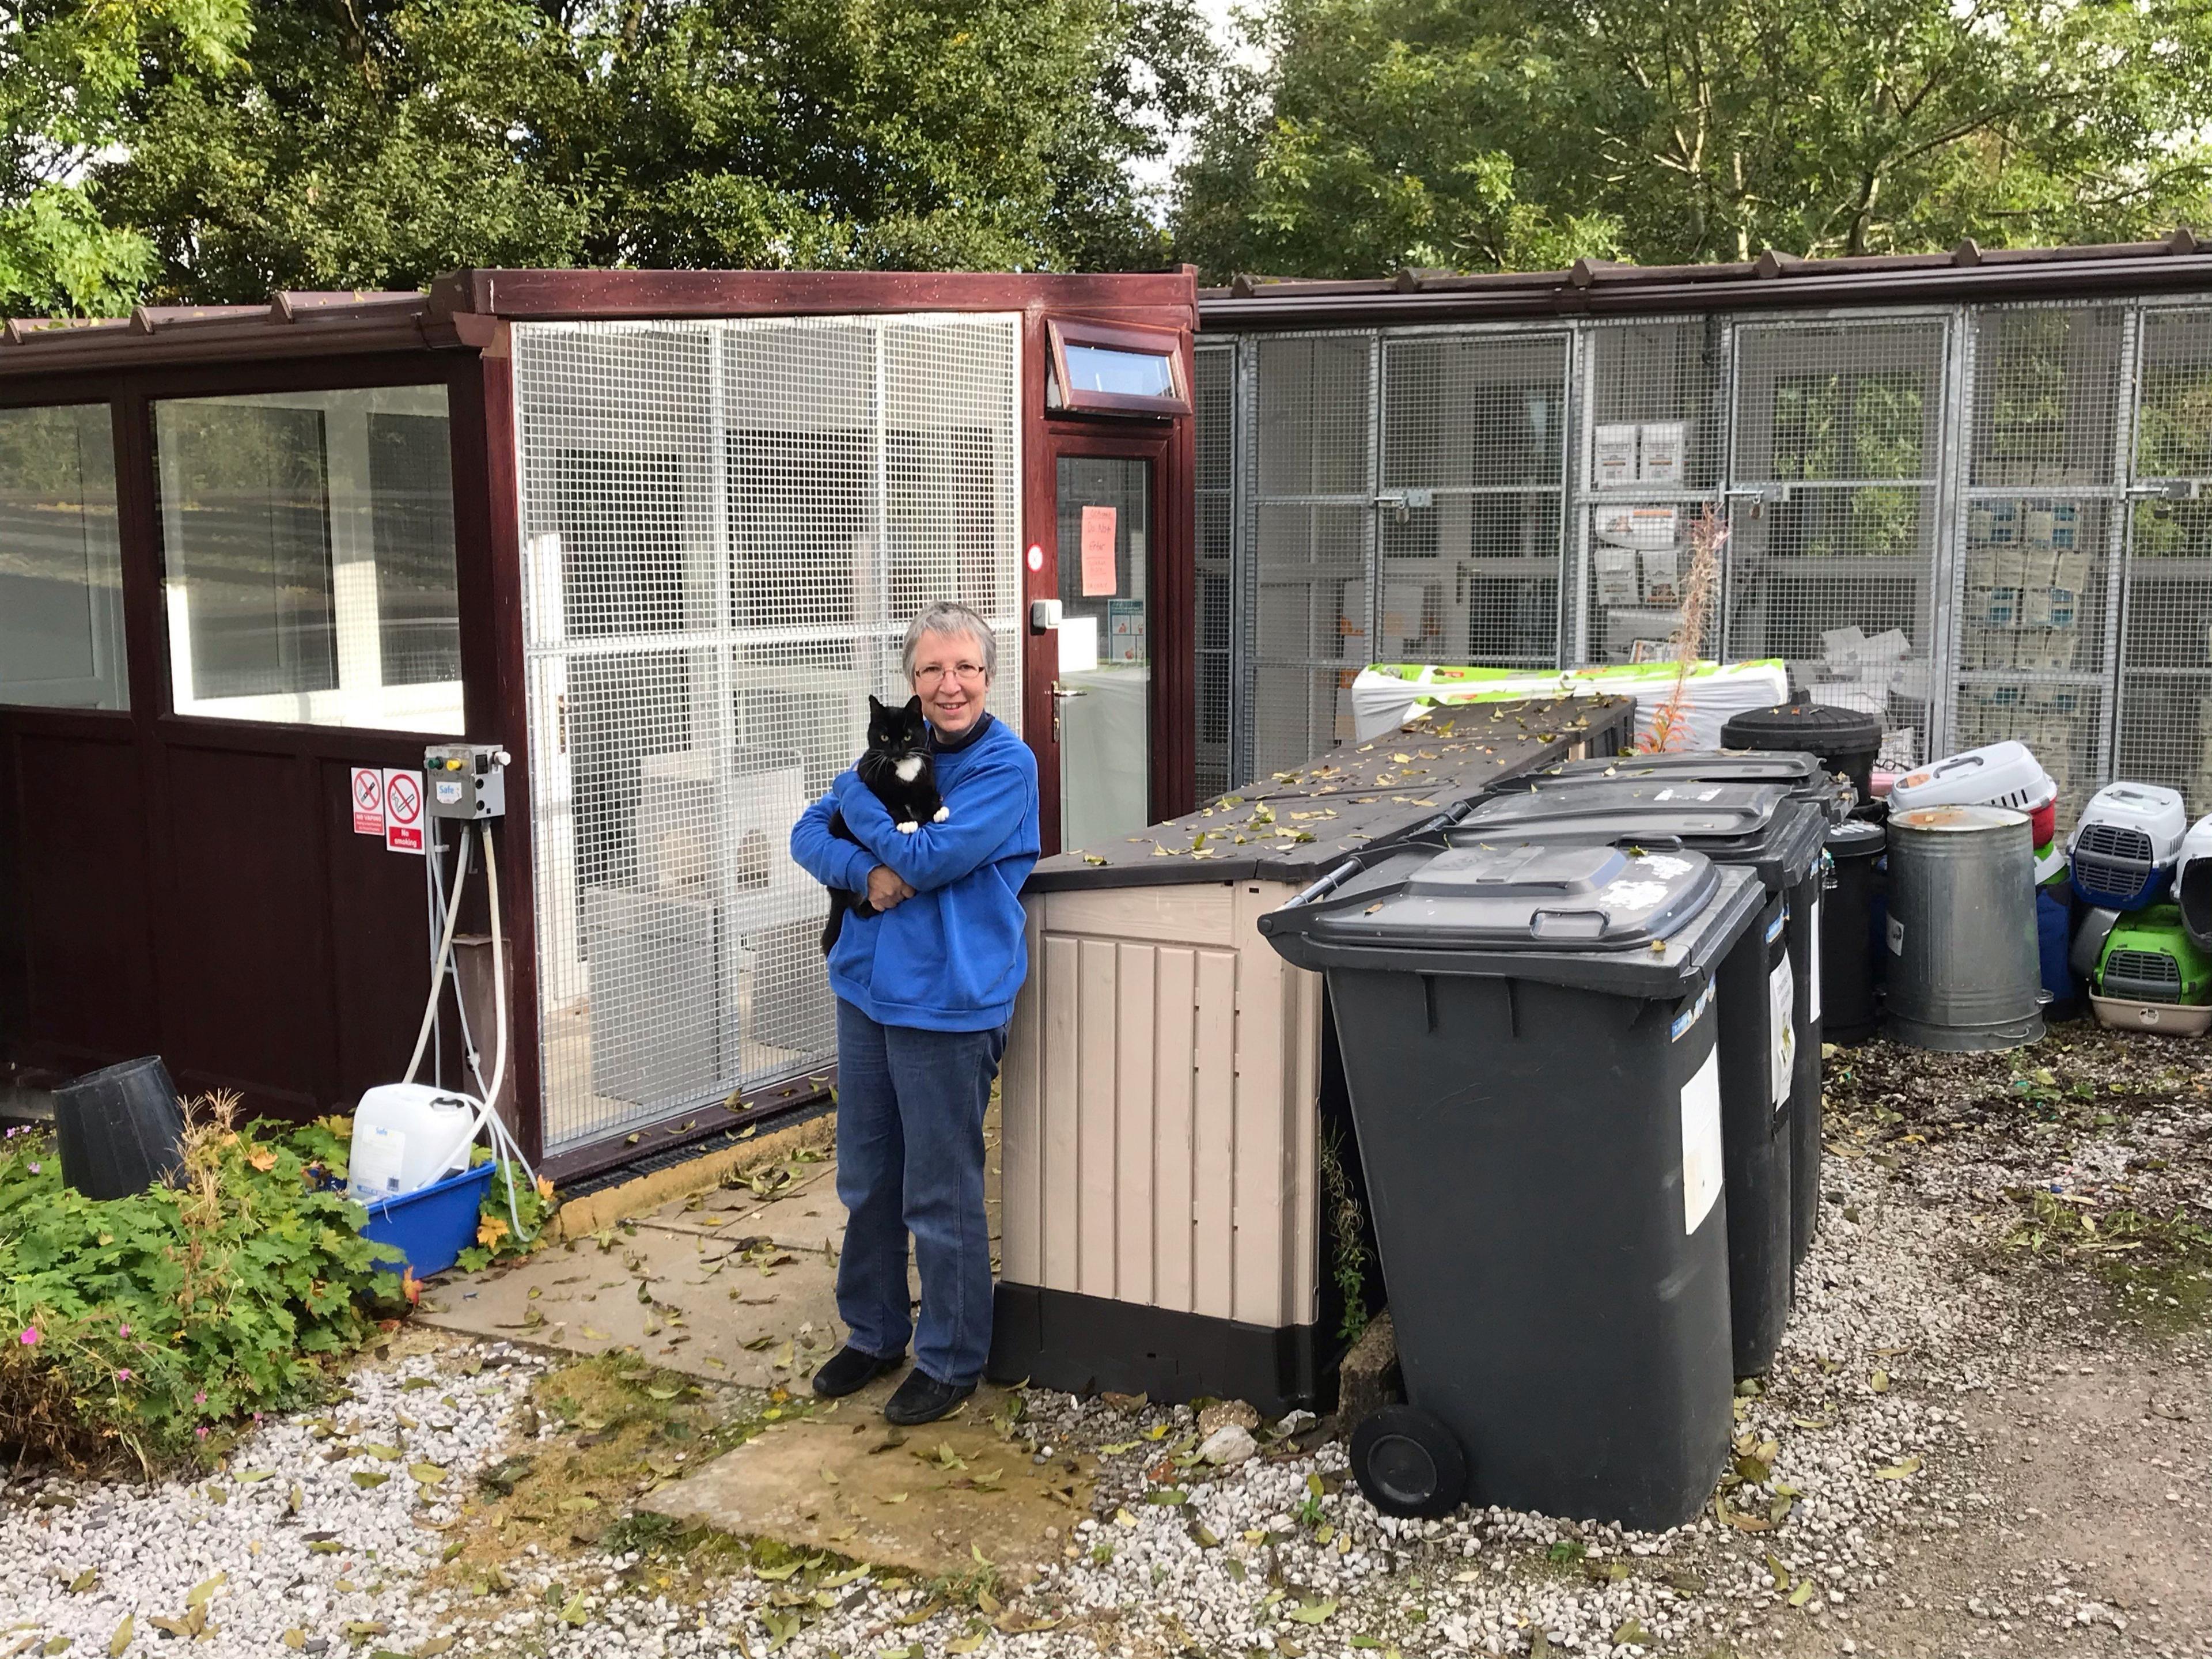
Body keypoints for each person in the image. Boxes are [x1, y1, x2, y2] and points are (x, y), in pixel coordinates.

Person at [788, 601, 1040, 1425]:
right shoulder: (899, 744)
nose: (949, 684)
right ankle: (874, 1332)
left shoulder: (1009, 766)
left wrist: (854, 807)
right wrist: (866, 878)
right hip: (867, 989)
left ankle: (952, 1356)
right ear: (912, 681)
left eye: (964, 667)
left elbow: (929, 856)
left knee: (940, 1188)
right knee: (868, 1177)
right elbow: (803, 834)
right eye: (931, 669)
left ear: (989, 676)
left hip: (948, 1000)